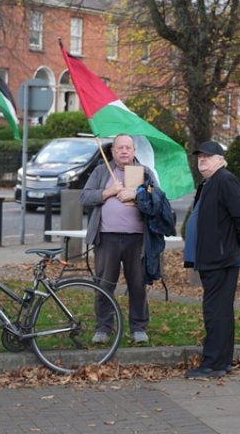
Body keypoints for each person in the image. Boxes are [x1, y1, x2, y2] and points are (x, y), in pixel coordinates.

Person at [184, 140, 240, 379]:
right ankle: (220, 362)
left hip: (221, 258)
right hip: (214, 257)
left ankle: (213, 364)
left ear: (220, 159)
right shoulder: (210, 182)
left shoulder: (225, 180)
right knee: (219, 311)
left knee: (216, 312)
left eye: (208, 155)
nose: (202, 159)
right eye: (199, 155)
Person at [81, 134, 152, 344]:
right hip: (107, 238)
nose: (124, 151)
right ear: (113, 151)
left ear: (134, 151)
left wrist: (136, 195)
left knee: (138, 285)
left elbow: (157, 197)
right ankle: (103, 327)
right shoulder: (102, 171)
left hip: (137, 240)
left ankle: (138, 327)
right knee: (104, 284)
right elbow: (85, 197)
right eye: (119, 148)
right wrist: (108, 192)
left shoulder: (144, 173)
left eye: (128, 148)